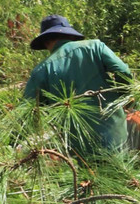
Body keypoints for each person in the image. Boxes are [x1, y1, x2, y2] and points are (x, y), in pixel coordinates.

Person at [23, 15, 133, 154]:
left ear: (46, 42)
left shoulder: (41, 71)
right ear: (70, 35)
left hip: (79, 145)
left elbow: (27, 110)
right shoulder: (94, 46)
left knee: (89, 175)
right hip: (114, 132)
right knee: (123, 172)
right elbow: (123, 71)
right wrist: (121, 99)